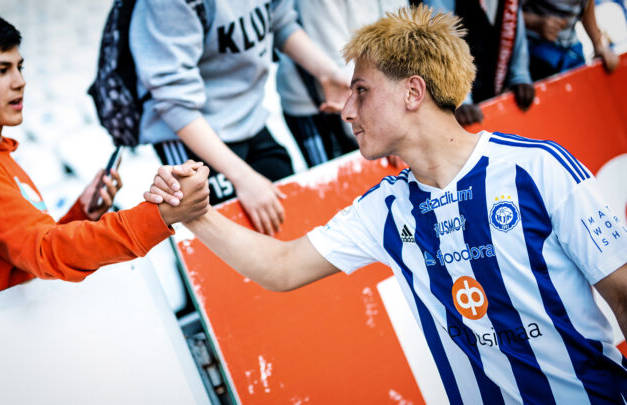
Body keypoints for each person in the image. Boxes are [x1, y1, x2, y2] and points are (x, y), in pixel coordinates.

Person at [149, 6, 627, 402]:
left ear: (413, 92)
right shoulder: (387, 206)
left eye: (361, 90)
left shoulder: (537, 168)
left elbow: (623, 295)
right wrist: (196, 214)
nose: (346, 109)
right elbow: (281, 268)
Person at [0, 10, 210, 307]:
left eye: (20, 67)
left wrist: (83, 212)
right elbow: (44, 253)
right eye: (1, 70)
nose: (20, 82)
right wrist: (160, 216)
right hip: (9, 335)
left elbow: (25, 256)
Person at [129, 0, 350, 236]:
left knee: (288, 226)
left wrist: (328, 74)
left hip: (250, 119)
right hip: (192, 135)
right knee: (224, 248)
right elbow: (174, 100)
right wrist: (243, 178)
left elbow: (279, 20)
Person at [275, 0, 406, 167]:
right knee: (339, 180)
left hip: (375, 99)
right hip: (320, 102)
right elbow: (342, 63)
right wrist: (386, 131)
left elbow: (401, 37)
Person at [422, 0, 535, 126]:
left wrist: (519, 75)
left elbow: (513, 18)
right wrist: (460, 99)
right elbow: (440, 40)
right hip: (459, 97)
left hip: (494, 86)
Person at [523, 0, 619, 81]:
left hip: (572, 50)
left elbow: (587, 4)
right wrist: (535, 22)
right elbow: (510, 12)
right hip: (533, 49)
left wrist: (598, 45)